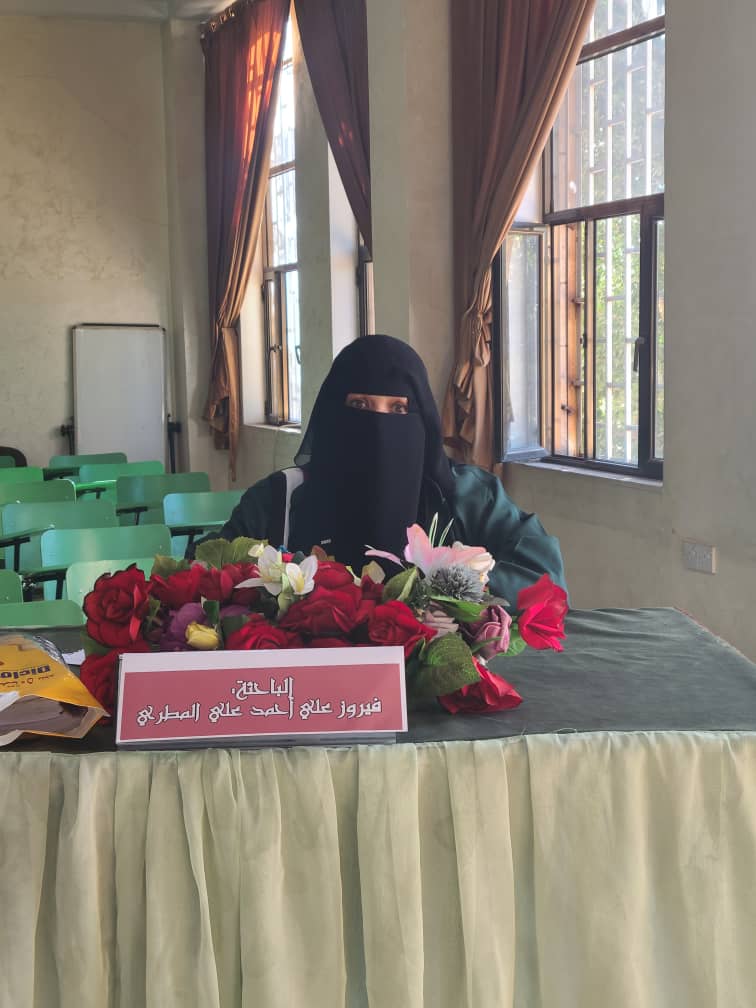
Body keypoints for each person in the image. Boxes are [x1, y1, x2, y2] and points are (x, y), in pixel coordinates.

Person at [194, 335, 566, 606]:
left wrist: (450, 590)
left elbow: (543, 574)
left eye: (398, 409)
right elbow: (204, 573)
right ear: (332, 413)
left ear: (423, 420)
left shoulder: (465, 495)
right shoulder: (279, 500)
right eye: (359, 405)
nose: (378, 427)